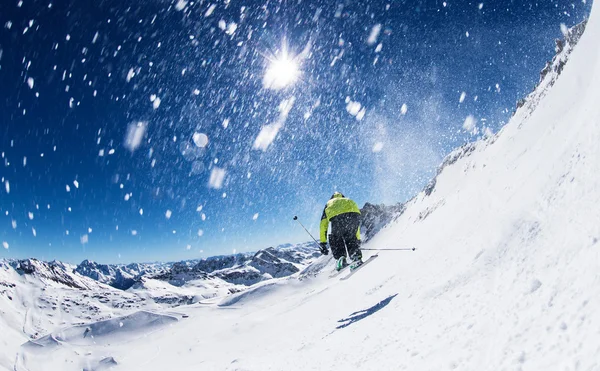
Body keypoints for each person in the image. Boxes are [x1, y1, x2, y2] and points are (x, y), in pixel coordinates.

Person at [319, 192, 363, 270]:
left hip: (338, 218)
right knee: (351, 236)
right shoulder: (348, 200)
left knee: (336, 238)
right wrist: (357, 238)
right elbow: (357, 226)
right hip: (355, 216)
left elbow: (323, 225)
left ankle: (341, 259)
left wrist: (323, 242)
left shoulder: (329, 203)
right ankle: (356, 256)